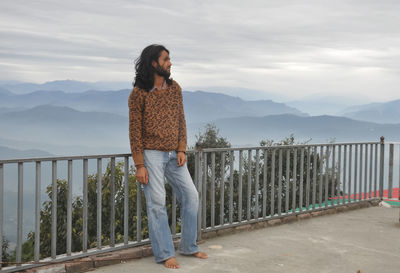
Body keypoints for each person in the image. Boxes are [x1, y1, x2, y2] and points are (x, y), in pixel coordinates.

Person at [128, 44, 208, 269]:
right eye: (166, 59)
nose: (170, 63)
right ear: (154, 63)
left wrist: (182, 148)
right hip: (151, 154)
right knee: (157, 203)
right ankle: (165, 253)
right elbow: (134, 130)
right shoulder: (138, 94)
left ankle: (189, 246)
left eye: (169, 59)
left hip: (175, 154)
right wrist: (139, 164)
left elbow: (181, 120)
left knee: (191, 196)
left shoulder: (175, 89)